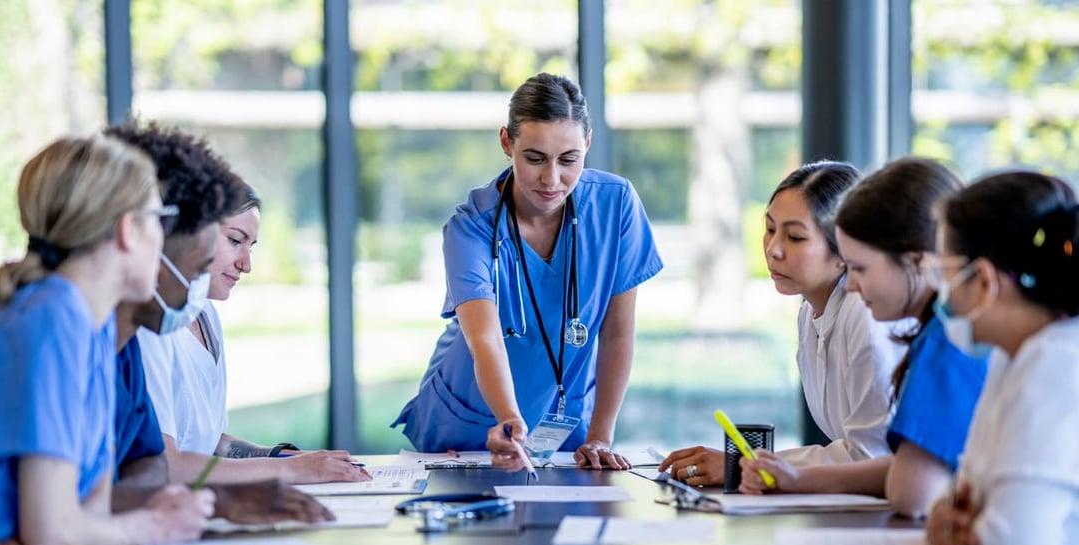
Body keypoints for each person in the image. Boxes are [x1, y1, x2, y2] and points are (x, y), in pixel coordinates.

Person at [393, 73, 663, 470]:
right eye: (534, 158)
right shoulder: (471, 228)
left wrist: (602, 435)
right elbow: (484, 338)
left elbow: (618, 330)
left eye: (569, 159)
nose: (552, 179)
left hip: (567, 422)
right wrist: (508, 418)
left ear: (588, 143)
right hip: (471, 421)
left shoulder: (616, 206)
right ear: (507, 142)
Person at [107, 124, 367, 485]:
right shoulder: (149, 324)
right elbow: (162, 463)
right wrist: (288, 470)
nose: (246, 264)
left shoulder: (204, 315)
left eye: (251, 246)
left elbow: (210, 442)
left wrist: (288, 458)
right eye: (235, 240)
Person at [0, 134, 211, 545]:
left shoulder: (93, 328)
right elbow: (55, 537)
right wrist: (155, 524)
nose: (163, 238)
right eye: (159, 218)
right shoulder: (52, 320)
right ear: (128, 229)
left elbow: (85, 515)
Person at [738, 159, 985, 518]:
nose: (851, 284)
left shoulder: (944, 344)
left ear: (918, 262)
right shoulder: (938, 335)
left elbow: (908, 488)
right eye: (770, 230)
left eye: (859, 268)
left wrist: (794, 474)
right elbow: (903, 465)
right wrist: (793, 477)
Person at [661, 161, 907, 486]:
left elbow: (870, 454)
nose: (773, 249)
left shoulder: (863, 313)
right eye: (770, 229)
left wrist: (741, 464)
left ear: (844, 249)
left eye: (794, 237)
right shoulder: (809, 311)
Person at [927, 171, 1079, 545]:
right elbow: (961, 497)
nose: (940, 293)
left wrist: (950, 528)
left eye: (944, 274)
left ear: (984, 281)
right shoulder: (1013, 358)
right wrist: (951, 518)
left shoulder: (1058, 365)